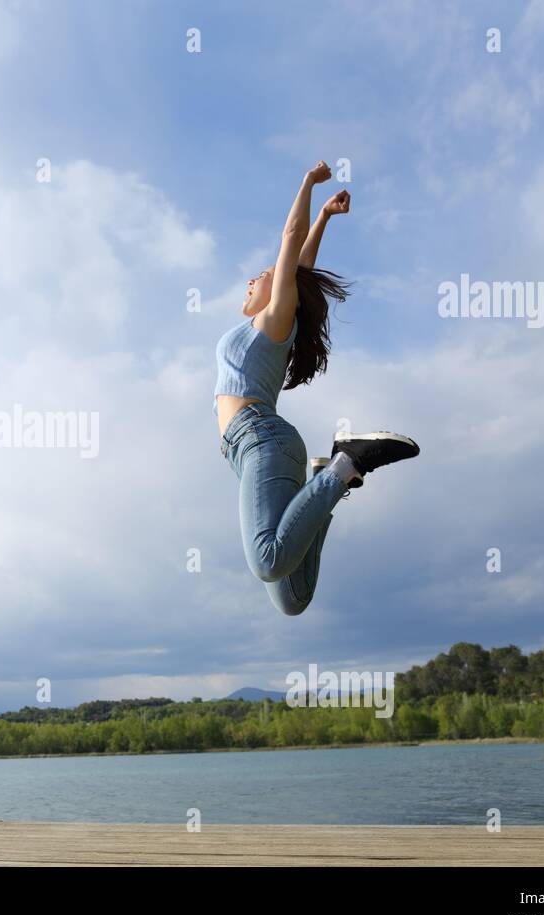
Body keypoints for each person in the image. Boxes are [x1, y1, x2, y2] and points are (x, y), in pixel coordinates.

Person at [214, 160, 419, 616]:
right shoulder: (271, 323)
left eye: (263, 274)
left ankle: (347, 464)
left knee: (268, 563)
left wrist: (307, 184)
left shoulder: (271, 323)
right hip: (253, 452)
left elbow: (291, 246)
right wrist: (324, 217)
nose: (252, 279)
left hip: (260, 439)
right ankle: (330, 474)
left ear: (280, 288)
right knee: (292, 598)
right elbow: (301, 264)